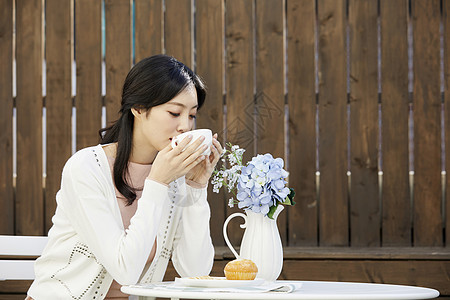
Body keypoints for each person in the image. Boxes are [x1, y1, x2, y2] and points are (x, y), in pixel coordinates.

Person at [27, 54, 223, 300]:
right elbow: (125, 270)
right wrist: (157, 183)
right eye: (174, 113)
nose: (185, 126)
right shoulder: (86, 168)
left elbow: (195, 271)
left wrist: (195, 187)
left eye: (192, 115)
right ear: (138, 108)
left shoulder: (173, 178)